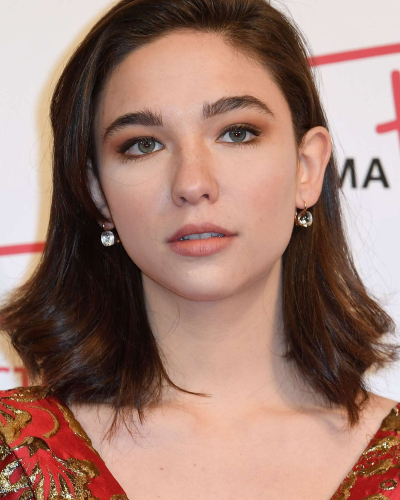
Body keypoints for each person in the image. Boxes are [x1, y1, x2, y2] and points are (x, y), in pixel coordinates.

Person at [0, 0, 399, 498]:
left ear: (306, 168)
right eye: (143, 144)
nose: (192, 183)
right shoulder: (13, 453)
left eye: (236, 133)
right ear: (97, 193)